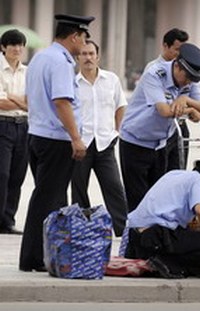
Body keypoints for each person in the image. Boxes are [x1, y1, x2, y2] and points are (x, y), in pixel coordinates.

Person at [19, 14, 95, 272]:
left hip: (38, 136)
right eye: (83, 39)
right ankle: (35, 257)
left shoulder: (40, 57)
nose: (83, 45)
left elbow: (31, 98)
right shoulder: (62, 63)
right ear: (74, 36)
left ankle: (39, 256)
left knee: (46, 197)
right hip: (56, 141)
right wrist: (76, 138)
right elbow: (62, 101)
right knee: (48, 200)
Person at [119, 43, 200, 212]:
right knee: (138, 200)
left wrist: (186, 100)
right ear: (177, 65)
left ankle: (156, 238)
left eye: (192, 80)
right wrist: (190, 110)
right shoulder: (154, 74)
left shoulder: (189, 80)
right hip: (136, 142)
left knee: (159, 197)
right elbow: (164, 110)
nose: (188, 83)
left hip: (161, 144)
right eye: (187, 78)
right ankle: (135, 238)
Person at [124, 154, 200, 278]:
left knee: (189, 238)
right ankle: (168, 264)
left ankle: (154, 261)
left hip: (137, 237)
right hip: (157, 236)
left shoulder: (174, 174)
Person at [71, 40, 127, 237]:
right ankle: (82, 229)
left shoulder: (111, 79)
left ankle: (123, 231)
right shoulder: (72, 82)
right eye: (84, 54)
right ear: (78, 58)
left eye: (91, 53)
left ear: (98, 56)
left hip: (105, 142)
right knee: (79, 189)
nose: (88, 57)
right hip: (81, 144)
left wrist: (117, 131)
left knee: (114, 187)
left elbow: (121, 105)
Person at [144, 28, 190, 171]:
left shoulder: (188, 68)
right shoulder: (153, 70)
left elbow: (196, 99)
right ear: (165, 46)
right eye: (176, 49)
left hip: (179, 127)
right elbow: (161, 108)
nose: (179, 54)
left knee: (178, 171)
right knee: (160, 173)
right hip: (159, 129)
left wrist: (184, 98)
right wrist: (191, 108)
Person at [0, 29, 28, 235]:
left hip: (24, 126)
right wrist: (22, 101)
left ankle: (7, 221)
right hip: (3, 124)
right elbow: (0, 102)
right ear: (3, 47)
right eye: (12, 45)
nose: (17, 49)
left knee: (17, 175)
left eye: (20, 45)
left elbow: (32, 103)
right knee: (2, 173)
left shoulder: (28, 72)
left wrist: (13, 97)